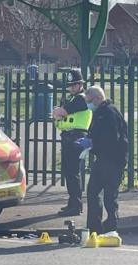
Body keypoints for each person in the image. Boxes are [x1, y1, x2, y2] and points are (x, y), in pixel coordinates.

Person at [78, 86, 128, 234]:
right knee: (93, 191)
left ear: (98, 99)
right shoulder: (100, 112)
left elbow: (110, 139)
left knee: (109, 196)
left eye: (89, 101)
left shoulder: (109, 113)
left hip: (113, 160)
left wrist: (92, 144)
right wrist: (89, 141)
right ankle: (94, 227)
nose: (88, 105)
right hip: (103, 159)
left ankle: (111, 226)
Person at [52, 69, 92, 217]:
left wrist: (59, 111)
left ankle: (76, 206)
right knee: (69, 172)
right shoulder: (72, 98)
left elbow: (60, 113)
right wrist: (59, 112)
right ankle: (72, 203)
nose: (72, 87)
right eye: (70, 85)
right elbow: (58, 113)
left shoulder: (81, 99)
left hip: (76, 138)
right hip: (69, 137)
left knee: (73, 172)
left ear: (81, 84)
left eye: (75, 84)